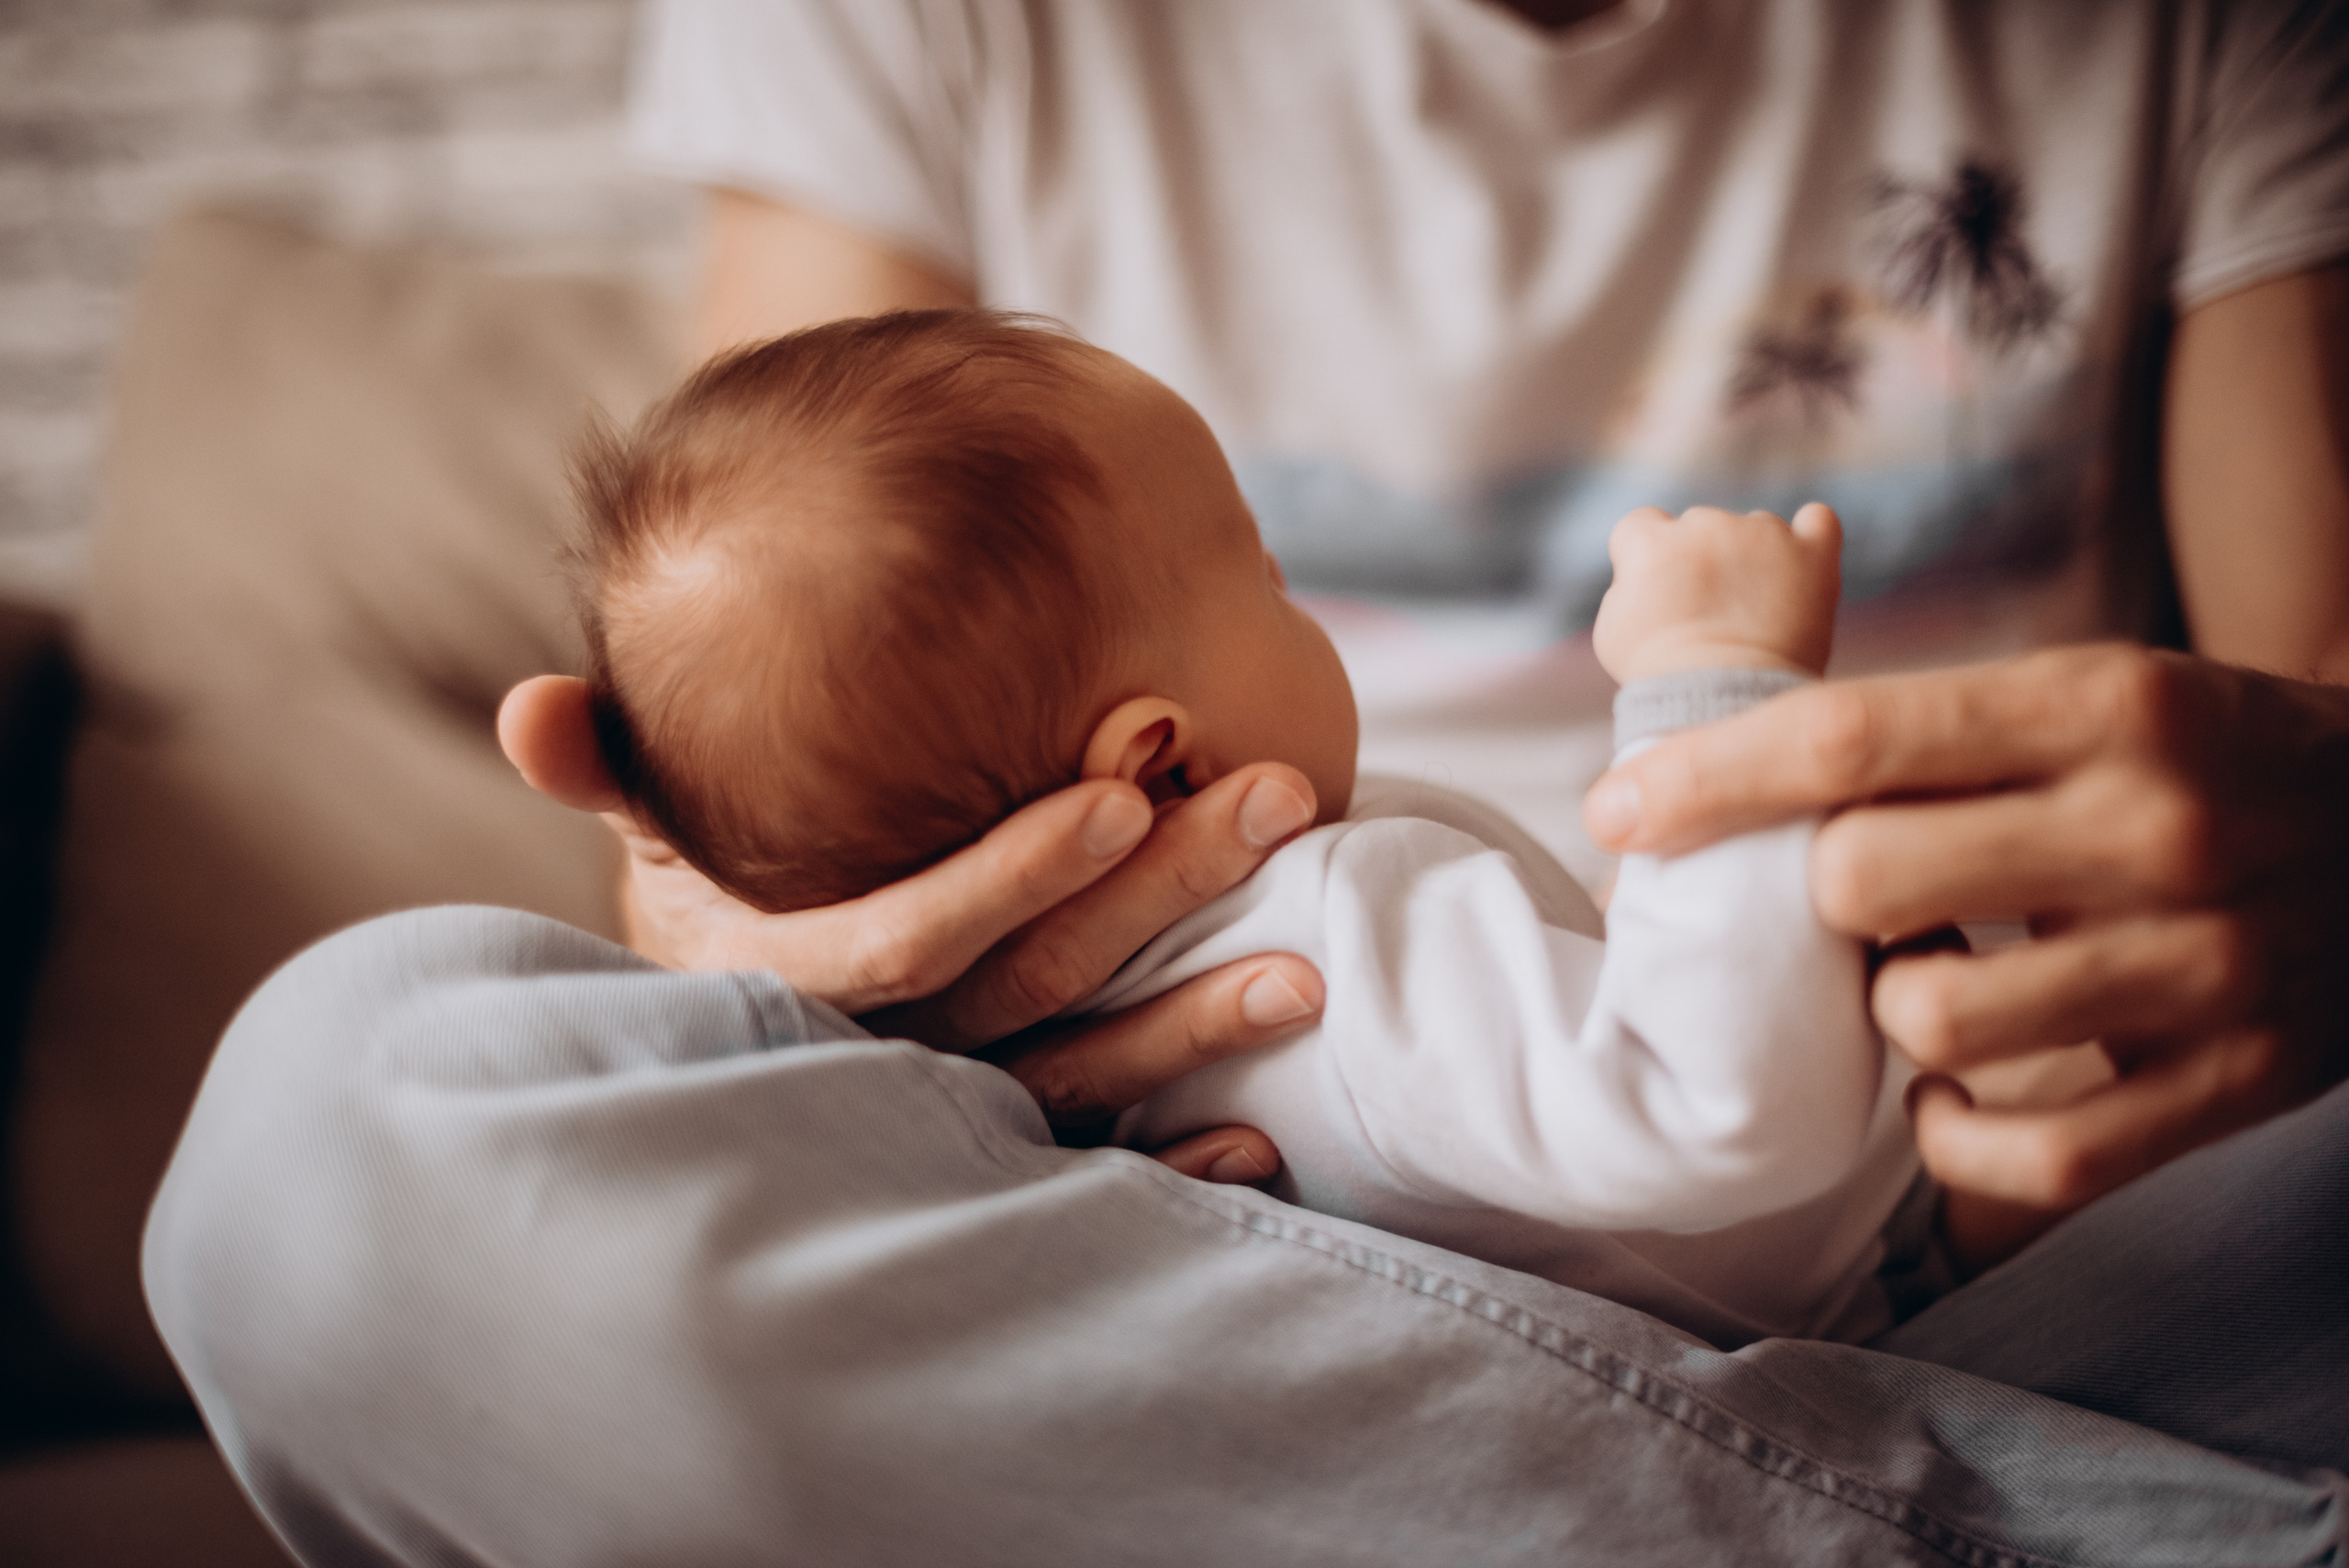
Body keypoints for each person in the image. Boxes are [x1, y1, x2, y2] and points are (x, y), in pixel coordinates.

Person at [137, 0, 2349, 1559]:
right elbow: (781, 624)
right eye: (1281, 573)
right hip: (1615, 1173)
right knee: (332, 1139)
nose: (1332, 619)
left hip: (2036, 1216)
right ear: (1161, 757)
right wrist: (755, 945)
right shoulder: (1369, 913)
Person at [563, 304, 1914, 1343]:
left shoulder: (1026, 1075)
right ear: (1160, 760)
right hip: (1867, 1300)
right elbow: (1718, 1103)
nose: (1293, 588)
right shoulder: (1340, 939)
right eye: (1261, 568)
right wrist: (1715, 685)